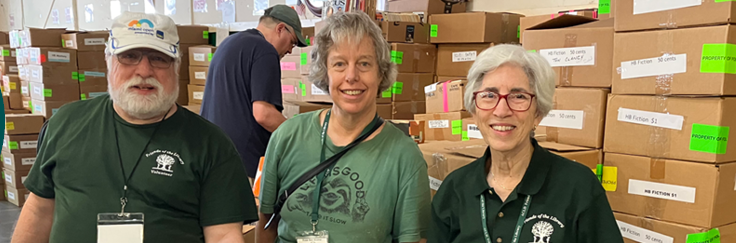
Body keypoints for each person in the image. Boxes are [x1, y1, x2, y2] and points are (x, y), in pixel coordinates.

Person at [11, 12, 259, 243]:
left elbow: (224, 235)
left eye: (159, 59)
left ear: (176, 67)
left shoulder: (211, 144)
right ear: (109, 62)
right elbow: (39, 209)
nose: (143, 70)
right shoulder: (66, 123)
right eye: (129, 56)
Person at [255, 12, 430, 243]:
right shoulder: (287, 137)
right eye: (339, 64)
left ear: (381, 73)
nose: (351, 76)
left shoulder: (404, 157)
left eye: (364, 63)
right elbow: (267, 222)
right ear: (325, 72)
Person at [427, 45, 622, 243]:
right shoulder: (455, 189)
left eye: (518, 96)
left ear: (538, 113)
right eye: (489, 96)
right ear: (474, 112)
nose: (501, 111)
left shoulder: (578, 187)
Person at [201, 4, 304, 174]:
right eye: (292, 42)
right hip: (242, 164)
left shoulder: (229, 43)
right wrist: (299, 137)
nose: (290, 49)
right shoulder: (265, 50)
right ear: (280, 29)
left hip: (212, 157)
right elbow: (264, 114)